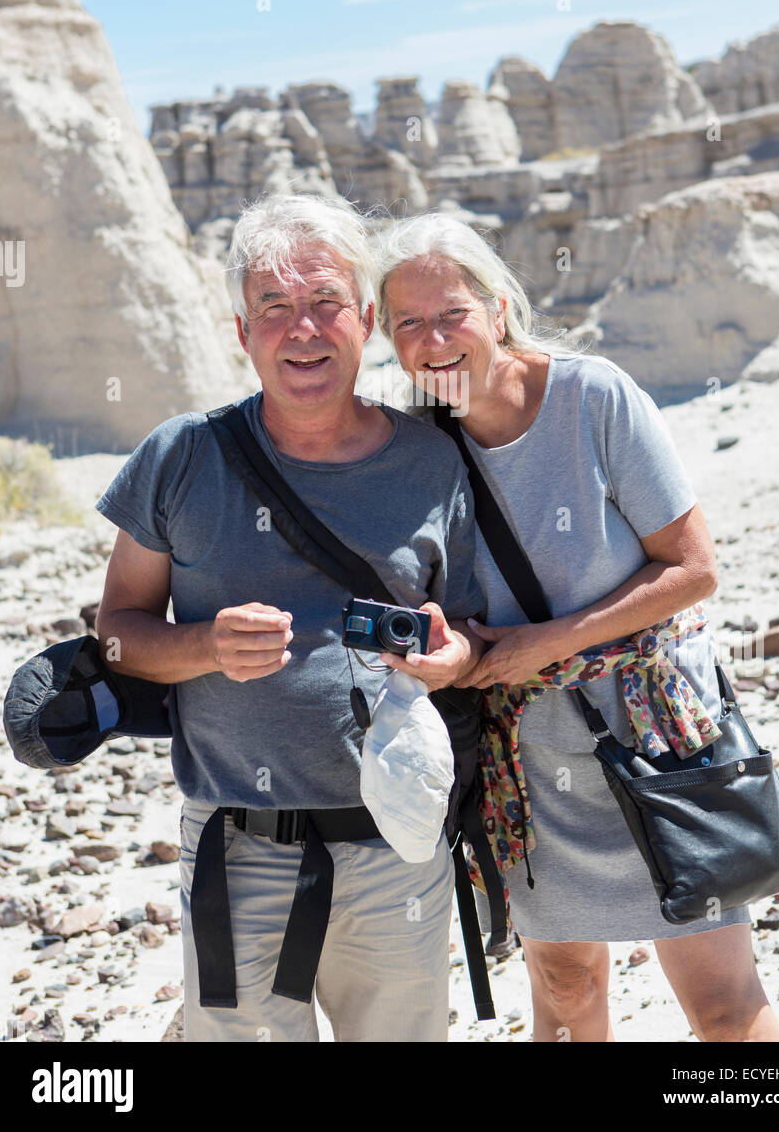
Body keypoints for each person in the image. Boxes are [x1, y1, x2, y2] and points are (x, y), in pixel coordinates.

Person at [374, 212, 779, 1044]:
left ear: (496, 308)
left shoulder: (591, 396)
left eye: (451, 312)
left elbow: (694, 568)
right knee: (565, 993)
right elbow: (456, 618)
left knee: (723, 1006)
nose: (434, 340)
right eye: (407, 324)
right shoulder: (416, 444)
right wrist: (452, 659)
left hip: (662, 740)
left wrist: (549, 643)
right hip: (530, 768)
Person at [93, 193, 485, 1042]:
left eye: (323, 304)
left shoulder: (432, 458)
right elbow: (116, 632)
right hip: (236, 853)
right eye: (274, 308)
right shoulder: (180, 456)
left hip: (399, 846)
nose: (301, 330)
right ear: (243, 332)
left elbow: (477, 631)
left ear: (367, 319)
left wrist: (452, 659)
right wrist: (202, 645)